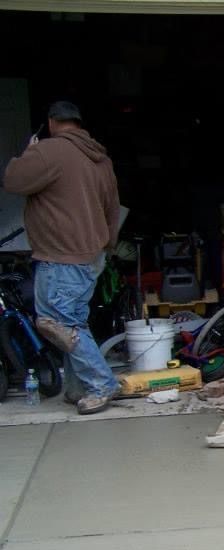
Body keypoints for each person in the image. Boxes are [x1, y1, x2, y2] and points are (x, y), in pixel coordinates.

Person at [2, 100, 121, 415]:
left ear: (52, 123)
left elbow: (12, 180)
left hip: (61, 253)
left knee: (55, 322)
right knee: (74, 323)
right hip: (93, 253)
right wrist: (107, 247)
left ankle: (101, 384)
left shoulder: (50, 151)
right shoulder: (100, 157)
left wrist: (30, 151)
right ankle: (76, 387)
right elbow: (112, 208)